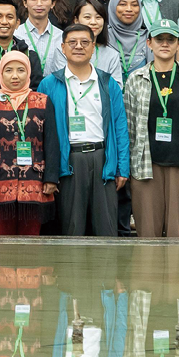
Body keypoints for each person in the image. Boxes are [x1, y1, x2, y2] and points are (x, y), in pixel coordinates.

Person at [37, 24, 129, 237]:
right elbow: (41, 133)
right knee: (72, 227)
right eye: (72, 42)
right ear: (63, 47)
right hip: (68, 160)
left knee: (106, 228)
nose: (78, 46)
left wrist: (122, 168)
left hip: (102, 159)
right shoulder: (49, 84)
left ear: (93, 47)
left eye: (85, 42)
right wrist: (49, 172)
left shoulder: (107, 83)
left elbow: (120, 126)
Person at [122, 19, 179, 238]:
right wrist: (128, 165)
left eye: (170, 40)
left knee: (178, 233)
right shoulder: (136, 79)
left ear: (178, 44)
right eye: (159, 39)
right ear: (149, 43)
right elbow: (129, 126)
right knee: (147, 233)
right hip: (145, 165)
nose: (164, 44)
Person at [0, 50, 61, 236]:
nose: (14, 76)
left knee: (31, 242)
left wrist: (51, 178)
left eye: (20, 70)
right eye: (8, 70)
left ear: (28, 73)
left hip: (35, 182)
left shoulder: (42, 101)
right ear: (0, 73)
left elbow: (51, 141)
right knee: (0, 242)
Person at [14, 0, 66, 73]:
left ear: (53, 3)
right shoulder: (15, 35)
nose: (39, 3)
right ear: (25, 3)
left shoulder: (62, 37)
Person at [70, 0, 125, 76]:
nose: (93, 22)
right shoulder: (65, 50)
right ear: (76, 20)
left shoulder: (111, 55)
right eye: (87, 17)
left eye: (98, 17)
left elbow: (115, 83)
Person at [106, 0, 152, 76]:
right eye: (123, 4)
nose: (129, 9)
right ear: (113, 7)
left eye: (134, 5)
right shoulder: (103, 37)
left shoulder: (147, 38)